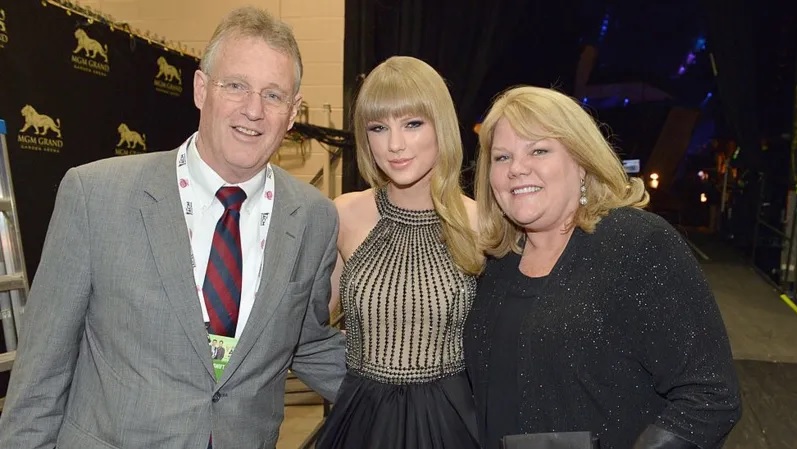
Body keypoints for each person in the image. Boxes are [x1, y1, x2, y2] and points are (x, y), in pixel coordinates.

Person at [0, 7, 345, 449]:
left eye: (273, 95)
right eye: (236, 85)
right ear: (202, 89)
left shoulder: (314, 218)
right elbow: (40, 372)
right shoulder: (96, 196)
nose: (253, 110)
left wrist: (413, 399)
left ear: (293, 111)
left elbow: (309, 340)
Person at [464, 86, 741, 449]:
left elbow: (711, 396)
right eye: (502, 158)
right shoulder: (496, 262)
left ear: (581, 163)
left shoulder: (637, 244)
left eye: (539, 150)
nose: (517, 168)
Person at [316, 56, 483, 449]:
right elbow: (304, 328)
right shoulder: (344, 215)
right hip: (361, 422)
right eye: (378, 127)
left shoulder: (481, 225)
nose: (394, 144)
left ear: (440, 125)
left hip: (452, 424)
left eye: (412, 123)